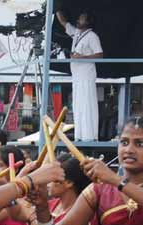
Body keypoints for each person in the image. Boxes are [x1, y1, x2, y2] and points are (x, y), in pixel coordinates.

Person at [56, 10, 103, 141]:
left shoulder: (92, 36)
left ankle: (89, 136)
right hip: (76, 76)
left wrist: (82, 57)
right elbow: (64, 22)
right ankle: (80, 135)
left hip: (86, 75)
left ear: (88, 22)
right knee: (78, 105)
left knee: (87, 104)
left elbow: (100, 55)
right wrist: (57, 8)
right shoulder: (77, 33)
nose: (78, 20)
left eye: (81, 19)